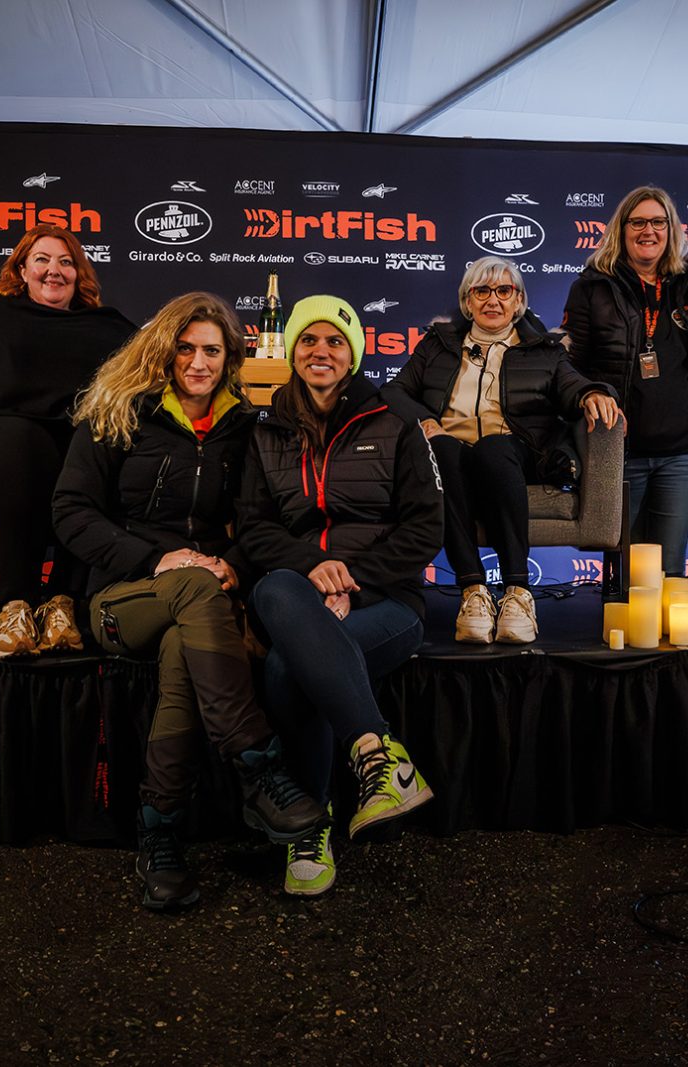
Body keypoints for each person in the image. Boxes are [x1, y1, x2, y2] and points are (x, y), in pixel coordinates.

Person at [52, 292, 325, 910]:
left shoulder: (245, 427)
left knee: (184, 648)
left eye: (212, 351)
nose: (198, 363)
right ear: (163, 350)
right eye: (185, 349)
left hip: (203, 601)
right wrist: (156, 559)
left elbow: (261, 522)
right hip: (122, 599)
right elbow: (70, 512)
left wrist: (235, 564)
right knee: (194, 591)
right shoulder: (119, 412)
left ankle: (160, 833)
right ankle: (258, 767)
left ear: (231, 358)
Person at [237, 295, 442, 897]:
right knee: (275, 584)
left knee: (287, 666)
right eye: (308, 340)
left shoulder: (396, 421)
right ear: (293, 352)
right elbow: (254, 528)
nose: (320, 351)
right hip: (298, 596)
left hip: (387, 601)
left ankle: (309, 823)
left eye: (334, 341)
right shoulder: (266, 429)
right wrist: (314, 568)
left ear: (352, 353)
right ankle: (378, 757)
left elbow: (425, 528)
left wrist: (353, 580)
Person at [0, 223, 135, 658]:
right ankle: (13, 607)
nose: (54, 270)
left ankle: (62, 604)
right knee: (15, 438)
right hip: (9, 443)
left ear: (79, 273)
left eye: (66, 262)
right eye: (42, 260)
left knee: (96, 443)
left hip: (77, 444)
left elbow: (147, 376)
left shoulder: (108, 327)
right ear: (21, 270)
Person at [381, 256, 619, 643]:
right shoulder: (438, 345)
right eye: (482, 291)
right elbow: (394, 391)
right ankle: (473, 591)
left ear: (518, 300)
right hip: (452, 451)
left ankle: (517, 592)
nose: (493, 300)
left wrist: (594, 392)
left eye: (504, 291)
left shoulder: (543, 349)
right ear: (468, 301)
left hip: (514, 451)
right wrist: (424, 421)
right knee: (441, 451)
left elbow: (572, 384)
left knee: (493, 447)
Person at [563, 186, 688, 582]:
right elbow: (567, 366)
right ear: (622, 229)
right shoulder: (592, 287)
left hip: (681, 454)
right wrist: (590, 392)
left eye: (658, 222)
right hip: (618, 450)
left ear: (671, 229)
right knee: (625, 572)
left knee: (669, 570)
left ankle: (663, 627)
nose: (649, 231)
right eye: (639, 222)